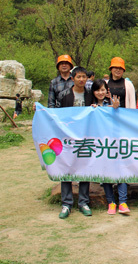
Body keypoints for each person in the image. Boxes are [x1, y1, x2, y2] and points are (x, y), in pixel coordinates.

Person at [56, 67, 94, 219]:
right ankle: (66, 204)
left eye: (84, 77)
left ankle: (83, 202)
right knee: (66, 167)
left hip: (85, 136)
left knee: (84, 167)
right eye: (78, 77)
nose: (81, 80)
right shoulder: (64, 95)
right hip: (67, 137)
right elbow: (56, 114)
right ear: (72, 78)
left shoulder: (90, 96)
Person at [89, 79, 129, 215]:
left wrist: (116, 108)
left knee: (121, 170)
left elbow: (119, 119)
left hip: (115, 142)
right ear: (93, 92)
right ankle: (111, 202)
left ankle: (123, 202)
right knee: (105, 172)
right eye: (98, 90)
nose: (100, 93)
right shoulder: (90, 107)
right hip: (100, 145)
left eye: (103, 90)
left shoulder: (112, 104)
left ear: (107, 90)